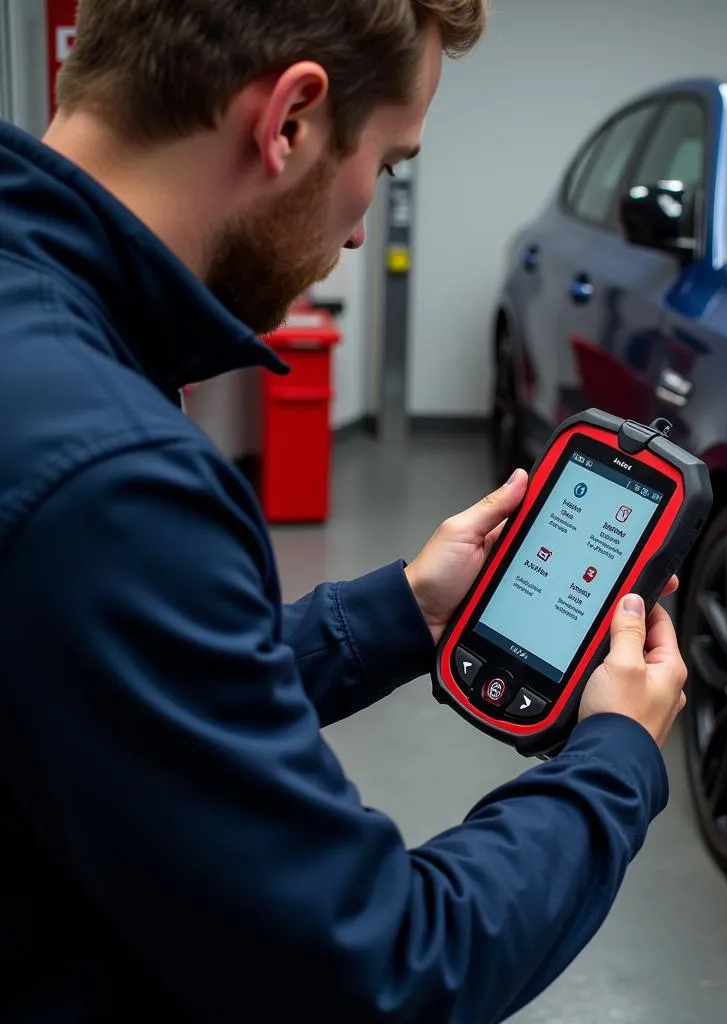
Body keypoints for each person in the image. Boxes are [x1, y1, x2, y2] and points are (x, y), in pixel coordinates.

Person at [0, 1, 688, 1021]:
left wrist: (407, 607)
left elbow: (110, 684)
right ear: (290, 120)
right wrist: (617, 755)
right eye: (389, 162)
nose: (364, 224)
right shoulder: (114, 477)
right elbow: (378, 970)